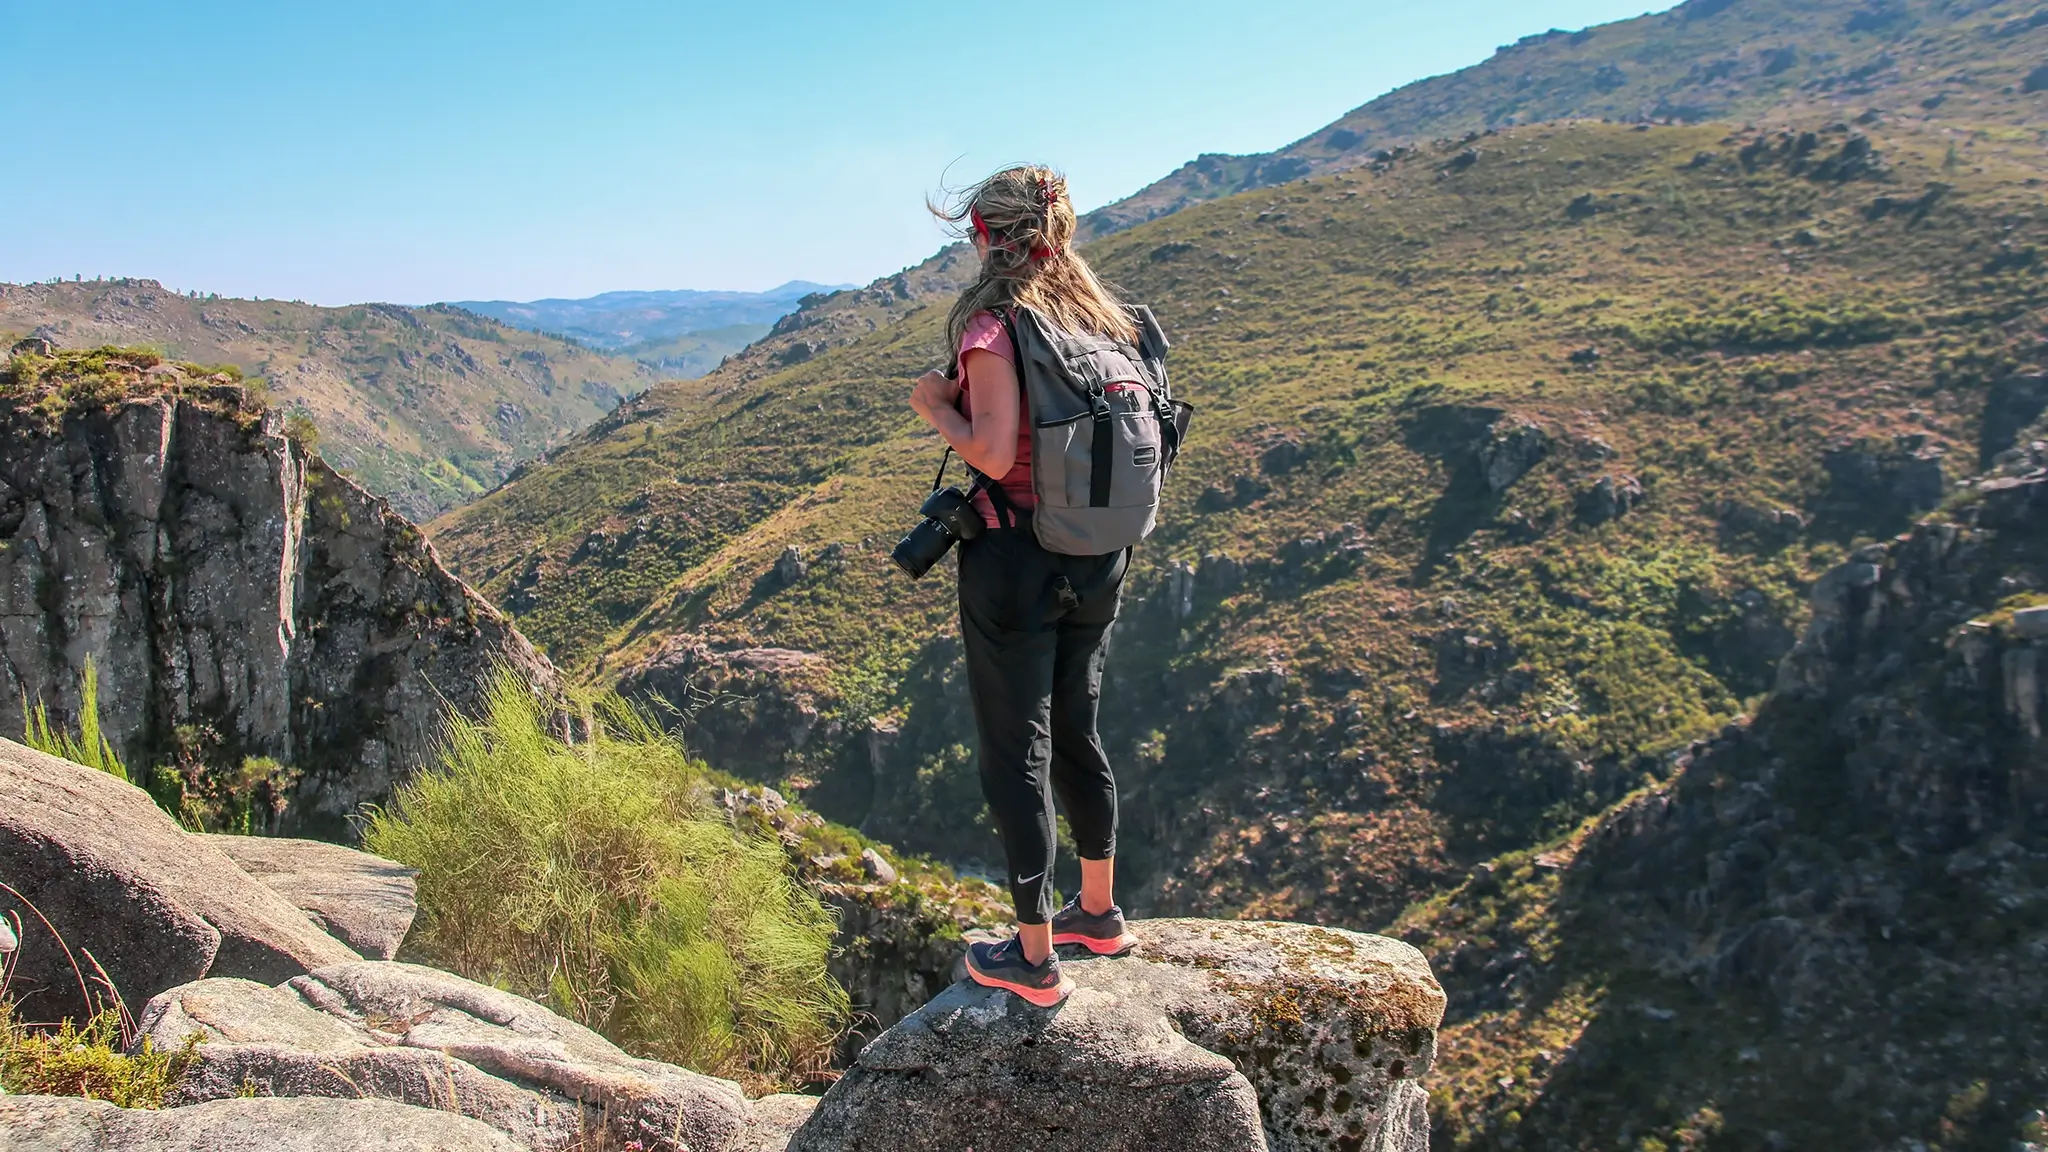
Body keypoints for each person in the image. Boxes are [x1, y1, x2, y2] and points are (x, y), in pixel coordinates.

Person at [907, 165, 1144, 1007]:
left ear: (987, 237)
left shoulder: (994, 323)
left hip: (1016, 559)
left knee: (1018, 749)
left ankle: (1033, 957)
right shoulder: (1103, 320)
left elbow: (996, 451)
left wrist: (936, 404)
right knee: (1079, 727)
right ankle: (1098, 913)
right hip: (1100, 554)